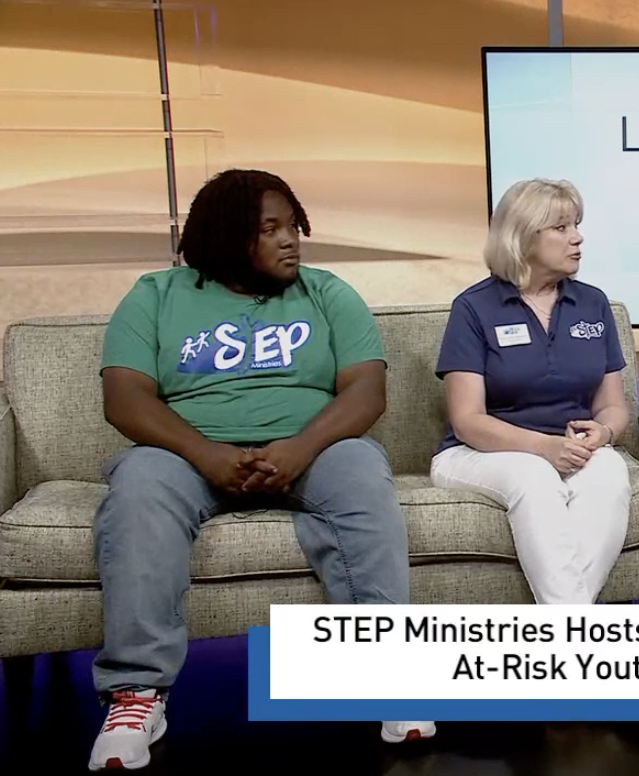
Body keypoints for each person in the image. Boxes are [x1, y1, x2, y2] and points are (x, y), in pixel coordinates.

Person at [90, 169, 433, 771]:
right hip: (187, 454)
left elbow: (366, 391)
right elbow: (125, 398)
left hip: (313, 449)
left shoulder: (327, 293)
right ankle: (136, 694)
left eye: (292, 225)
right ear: (227, 237)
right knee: (139, 485)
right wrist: (205, 453)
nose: (290, 239)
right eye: (270, 229)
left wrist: (300, 447)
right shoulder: (155, 296)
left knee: (360, 465)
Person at [430, 178, 631, 605]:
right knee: (534, 477)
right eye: (561, 227)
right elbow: (467, 420)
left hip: (572, 448)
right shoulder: (474, 307)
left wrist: (604, 433)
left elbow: (613, 405)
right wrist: (543, 447)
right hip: (480, 452)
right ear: (522, 236)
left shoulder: (593, 304)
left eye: (576, 225)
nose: (577, 237)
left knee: (610, 471)